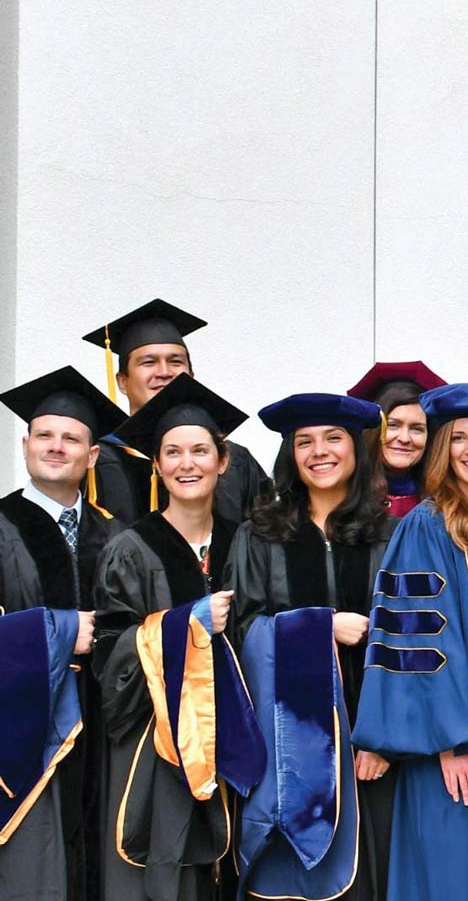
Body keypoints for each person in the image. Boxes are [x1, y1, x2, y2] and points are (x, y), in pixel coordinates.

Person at [351, 383, 468, 901]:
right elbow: (416, 639)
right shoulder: (427, 526)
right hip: (454, 747)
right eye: (457, 439)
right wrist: (451, 741)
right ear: (441, 449)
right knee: (455, 876)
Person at [92, 375, 266, 901]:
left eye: (198, 450)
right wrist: (184, 622)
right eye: (172, 452)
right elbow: (110, 654)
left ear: (223, 461)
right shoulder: (132, 549)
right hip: (160, 743)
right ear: (157, 464)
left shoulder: (250, 542)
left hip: (241, 738)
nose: (186, 464)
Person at [224, 392, 397, 900]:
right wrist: (320, 628)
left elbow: (408, 639)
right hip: (288, 749)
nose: (319, 451)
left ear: (357, 450)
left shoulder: (391, 534)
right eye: (304, 442)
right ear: (290, 455)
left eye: (333, 438)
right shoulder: (260, 536)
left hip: (370, 744)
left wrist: (383, 737)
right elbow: (240, 634)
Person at [0, 367, 125, 901]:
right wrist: (61, 632)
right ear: (25, 445)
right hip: (25, 724)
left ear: (92, 455)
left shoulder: (118, 535)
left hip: (106, 723)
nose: (56, 447)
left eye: (71, 438)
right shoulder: (2, 524)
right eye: (44, 436)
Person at [83, 299, 269, 525]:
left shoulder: (236, 462)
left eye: (175, 362)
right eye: (148, 362)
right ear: (122, 382)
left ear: (190, 376)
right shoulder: (95, 463)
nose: (164, 372)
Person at [347, 360, 447, 521]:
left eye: (417, 428)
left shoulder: (444, 500)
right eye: (393, 425)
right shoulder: (347, 497)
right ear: (374, 430)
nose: (404, 438)